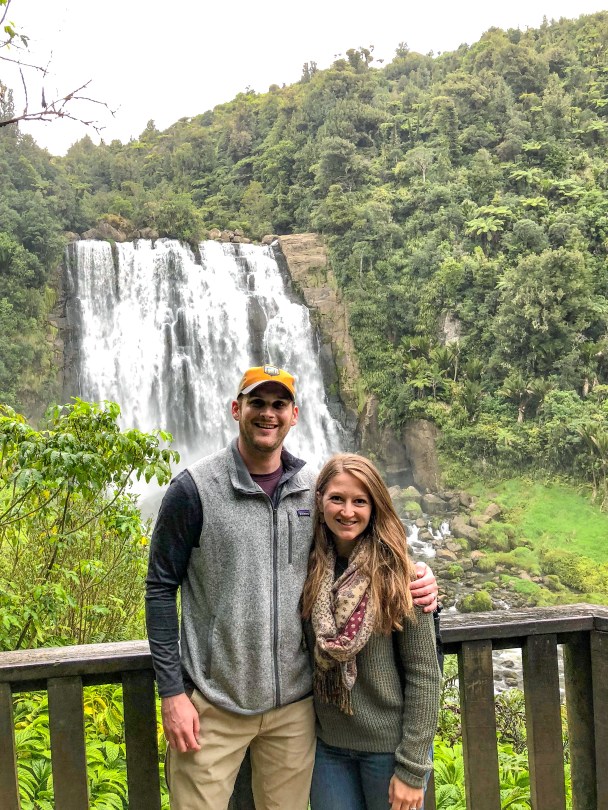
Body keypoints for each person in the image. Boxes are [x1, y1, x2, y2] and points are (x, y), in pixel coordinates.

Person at [145, 365, 439, 810]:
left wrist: (418, 575)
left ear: (295, 414)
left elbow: (358, 547)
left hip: (296, 713)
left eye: (278, 404)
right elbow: (160, 588)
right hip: (214, 706)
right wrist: (171, 692)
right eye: (257, 403)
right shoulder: (193, 490)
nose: (268, 413)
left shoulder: (312, 492)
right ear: (235, 408)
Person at [301, 453, 442, 810]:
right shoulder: (308, 567)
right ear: (320, 501)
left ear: (375, 505)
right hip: (327, 748)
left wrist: (412, 769)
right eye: (337, 499)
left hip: (389, 750)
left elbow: (425, 674)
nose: (347, 511)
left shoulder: (400, 575)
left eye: (359, 501)